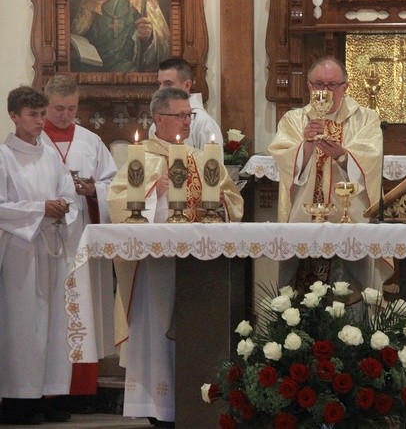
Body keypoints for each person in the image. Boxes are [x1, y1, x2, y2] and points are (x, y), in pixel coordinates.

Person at [106, 88, 243, 427]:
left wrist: (218, 203)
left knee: (196, 327)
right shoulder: (142, 157)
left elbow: (231, 199)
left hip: (200, 267)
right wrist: (154, 192)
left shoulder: (201, 156)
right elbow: (118, 203)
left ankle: (195, 400)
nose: (186, 121)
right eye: (180, 115)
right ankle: (161, 408)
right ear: (159, 119)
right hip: (157, 267)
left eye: (188, 115)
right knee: (157, 329)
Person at [268, 56, 391, 298]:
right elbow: (283, 163)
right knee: (299, 295)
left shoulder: (365, 119)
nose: (325, 91)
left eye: (332, 85)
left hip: (350, 217)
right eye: (318, 84)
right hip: (304, 218)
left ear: (345, 87)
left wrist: (343, 157)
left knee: (353, 294)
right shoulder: (295, 120)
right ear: (308, 86)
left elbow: (371, 161)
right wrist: (305, 146)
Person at [0, 87, 78, 424]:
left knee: (52, 324)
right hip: (21, 251)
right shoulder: (3, 157)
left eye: (42, 114)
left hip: (51, 246)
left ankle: (47, 394)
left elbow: (68, 191)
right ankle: (19, 401)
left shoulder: (49, 155)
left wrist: (63, 207)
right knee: (22, 325)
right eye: (33, 115)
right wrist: (38, 210)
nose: (40, 121)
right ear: (14, 116)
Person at [42, 74, 118, 411]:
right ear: (46, 105)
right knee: (48, 317)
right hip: (44, 241)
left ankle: (81, 391)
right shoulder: (31, 141)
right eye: (59, 109)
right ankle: (46, 391)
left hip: (82, 241)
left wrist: (93, 190)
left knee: (81, 312)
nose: (65, 115)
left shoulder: (91, 141)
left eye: (71, 108)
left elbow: (113, 186)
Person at [71, 0, 170, 72]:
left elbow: (163, 46)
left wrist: (149, 37)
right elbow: (78, 34)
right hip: (92, 69)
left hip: (128, 70)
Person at [148, 57, 225, 152]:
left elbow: (213, 164)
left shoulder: (203, 123)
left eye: (168, 84)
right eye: (160, 83)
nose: (161, 89)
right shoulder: (159, 121)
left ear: (187, 85)